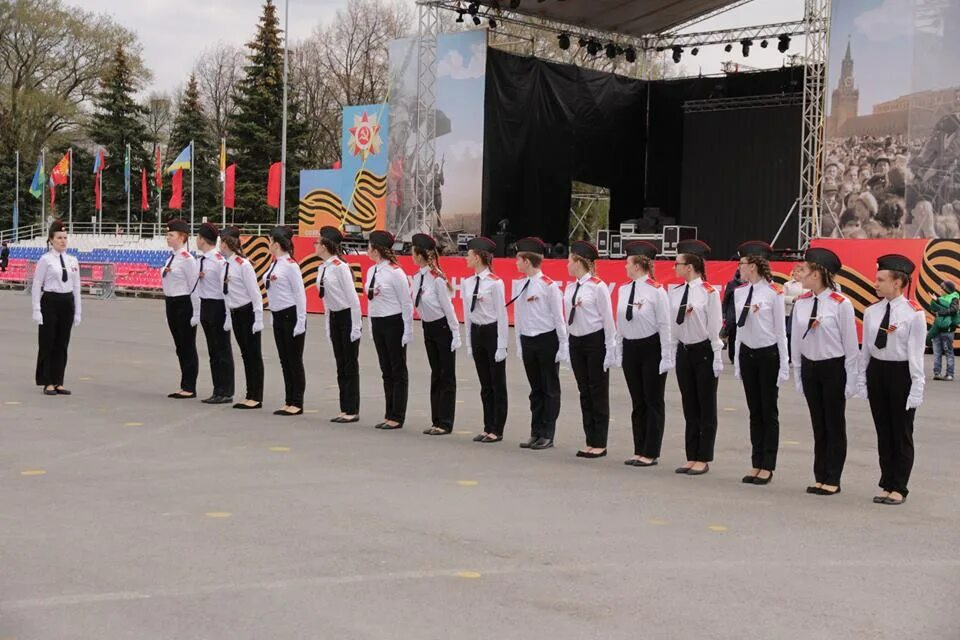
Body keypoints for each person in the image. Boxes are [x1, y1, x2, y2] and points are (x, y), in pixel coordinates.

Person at [858, 254, 926, 506]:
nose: (876, 283)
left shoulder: (913, 314)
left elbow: (916, 354)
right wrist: (862, 379)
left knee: (901, 432)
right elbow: (866, 349)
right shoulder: (871, 312)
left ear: (898, 282)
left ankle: (899, 487)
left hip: (901, 374)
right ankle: (886, 482)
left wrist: (917, 387)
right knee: (883, 432)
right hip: (878, 372)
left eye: (881, 279)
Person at [791, 248, 859, 496]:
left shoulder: (841, 304)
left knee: (834, 423)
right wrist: (798, 371)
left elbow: (851, 346)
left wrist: (852, 380)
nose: (800, 274)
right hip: (810, 366)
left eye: (805, 270)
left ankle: (833, 477)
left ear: (818, 274)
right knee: (818, 424)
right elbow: (796, 340)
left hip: (833, 368)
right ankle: (820, 475)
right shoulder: (801, 302)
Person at [733, 241, 789, 486]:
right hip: (748, 353)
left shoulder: (774, 293)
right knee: (754, 411)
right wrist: (736, 360)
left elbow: (780, 331)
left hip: (768, 355)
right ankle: (756, 462)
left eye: (742, 263)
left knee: (768, 411)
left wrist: (784, 364)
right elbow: (739, 329)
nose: (739, 267)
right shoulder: (739, 292)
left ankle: (768, 465)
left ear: (754, 266)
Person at [615, 240, 672, 467]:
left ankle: (651, 451)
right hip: (631, 346)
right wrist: (619, 349)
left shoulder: (656, 291)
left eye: (628, 263)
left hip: (651, 347)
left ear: (638, 265)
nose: (625, 267)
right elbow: (620, 322)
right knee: (637, 400)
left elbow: (665, 324)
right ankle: (638, 448)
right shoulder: (623, 289)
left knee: (652, 400)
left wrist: (666, 355)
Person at [668, 239, 722, 476]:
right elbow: (673, 327)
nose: (674, 268)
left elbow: (714, 326)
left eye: (678, 263)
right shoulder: (676, 291)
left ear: (689, 266)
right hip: (684, 350)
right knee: (689, 404)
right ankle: (691, 455)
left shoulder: (708, 293)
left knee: (706, 405)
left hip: (703, 352)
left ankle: (704, 456)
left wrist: (717, 355)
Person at [512, 237, 568, 451]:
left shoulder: (549, 286)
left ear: (527, 261)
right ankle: (535, 431)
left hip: (546, 339)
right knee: (535, 389)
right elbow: (518, 317)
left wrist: (563, 344)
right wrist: (519, 341)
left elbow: (558, 317)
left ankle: (548, 433)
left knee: (549, 388)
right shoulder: (520, 284)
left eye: (518, 259)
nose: (516, 264)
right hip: (528, 339)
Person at [565, 240, 617, 459]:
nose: (567, 264)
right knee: (584, 391)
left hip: (594, 341)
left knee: (598, 391)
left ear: (578, 261)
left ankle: (600, 442)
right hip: (576, 341)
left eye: (569, 260)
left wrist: (610, 348)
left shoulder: (598, 286)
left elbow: (607, 320)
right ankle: (589, 439)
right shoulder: (570, 287)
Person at [411, 233, 461, 435]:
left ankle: (445, 421)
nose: (411, 255)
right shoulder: (417, 278)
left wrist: (455, 332)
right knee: (435, 373)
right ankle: (436, 419)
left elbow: (447, 307)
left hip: (443, 328)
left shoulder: (436, 279)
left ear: (421, 255)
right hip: (428, 327)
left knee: (446, 375)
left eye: (413, 252)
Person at [365, 230, 412, 430]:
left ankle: (397, 415)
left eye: (369, 246)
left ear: (376, 250)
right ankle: (388, 412)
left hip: (393, 322)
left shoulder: (395, 272)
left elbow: (406, 302)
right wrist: (370, 323)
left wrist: (407, 329)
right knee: (386, 370)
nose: (367, 250)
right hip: (378, 322)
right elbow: (371, 300)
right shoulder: (372, 271)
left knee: (397, 370)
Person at [463, 237, 508, 443]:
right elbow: (467, 314)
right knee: (484, 384)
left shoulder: (495, 283)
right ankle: (487, 425)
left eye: (469, 255)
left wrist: (502, 345)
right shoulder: (468, 282)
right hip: (477, 332)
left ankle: (497, 428)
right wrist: (470, 342)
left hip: (492, 332)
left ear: (479, 257)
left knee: (497, 382)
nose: (466, 258)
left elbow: (502, 315)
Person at [315, 226, 362, 423]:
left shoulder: (341, 268)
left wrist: (356, 326)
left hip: (346, 317)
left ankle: (352, 409)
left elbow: (353, 299)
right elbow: (326, 299)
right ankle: (344, 408)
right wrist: (327, 324)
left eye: (317, 242)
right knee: (340, 365)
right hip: (334, 317)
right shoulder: (323, 267)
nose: (315, 245)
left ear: (325, 245)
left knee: (349, 365)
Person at [32, 220, 81, 396]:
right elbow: (37, 284)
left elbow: (76, 287)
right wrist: (36, 309)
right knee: (48, 342)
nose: (63, 241)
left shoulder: (72, 260)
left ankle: (59, 381)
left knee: (62, 343)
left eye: (65, 238)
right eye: (59, 238)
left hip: (66, 301)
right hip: (50, 301)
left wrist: (78, 311)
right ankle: (47, 381)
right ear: (51, 240)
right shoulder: (46, 260)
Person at [220, 227, 265, 410]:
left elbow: (255, 293)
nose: (219, 245)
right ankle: (249, 394)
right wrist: (228, 316)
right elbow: (227, 292)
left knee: (254, 355)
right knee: (245, 354)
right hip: (235, 312)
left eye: (221, 241)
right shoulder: (226, 264)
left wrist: (258, 317)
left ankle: (256, 396)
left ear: (227, 243)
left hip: (248, 312)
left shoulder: (243, 265)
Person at [264, 226, 307, 416]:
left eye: (271, 241)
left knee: (294, 360)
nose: (269, 244)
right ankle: (288, 399)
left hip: (291, 315)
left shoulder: (290, 265)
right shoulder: (275, 263)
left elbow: (300, 294)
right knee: (284, 360)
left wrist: (301, 320)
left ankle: (297, 401)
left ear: (278, 244)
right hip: (279, 315)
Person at [194, 222, 234, 404]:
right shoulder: (200, 260)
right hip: (205, 305)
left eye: (198, 237)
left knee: (222, 349)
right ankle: (217, 388)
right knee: (212, 350)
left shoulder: (219, 262)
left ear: (202, 239)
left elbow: (225, 289)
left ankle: (226, 390)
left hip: (219, 306)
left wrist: (227, 314)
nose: (196, 240)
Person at [161, 218, 200, 399]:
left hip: (184, 304)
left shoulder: (187, 260)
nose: (167, 237)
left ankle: (189, 386)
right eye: (167, 234)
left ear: (182, 237)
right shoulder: (172, 257)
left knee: (187, 346)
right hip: (171, 302)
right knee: (179, 346)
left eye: (171, 234)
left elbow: (194, 286)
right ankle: (184, 383)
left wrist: (196, 312)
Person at [929, 280, 958, 381]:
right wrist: (935, 302)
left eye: (942, 288)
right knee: (937, 352)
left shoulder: (954, 298)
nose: (940, 290)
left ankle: (949, 374)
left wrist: (940, 311)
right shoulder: (940, 298)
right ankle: (937, 373)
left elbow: (953, 310)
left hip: (948, 330)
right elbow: (933, 310)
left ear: (946, 289)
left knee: (948, 351)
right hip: (937, 328)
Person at [721, 269, 743, 364]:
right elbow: (725, 299)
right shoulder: (731, 284)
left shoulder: (750, 284)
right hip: (732, 314)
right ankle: (733, 357)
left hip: (744, 314)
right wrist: (724, 313)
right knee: (733, 336)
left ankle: (741, 356)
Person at [783, 264, 806, 346]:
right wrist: (793, 299)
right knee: (790, 337)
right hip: (789, 315)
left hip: (804, 315)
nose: (796, 273)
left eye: (798, 271)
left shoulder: (808, 285)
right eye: (794, 271)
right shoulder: (787, 285)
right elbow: (782, 298)